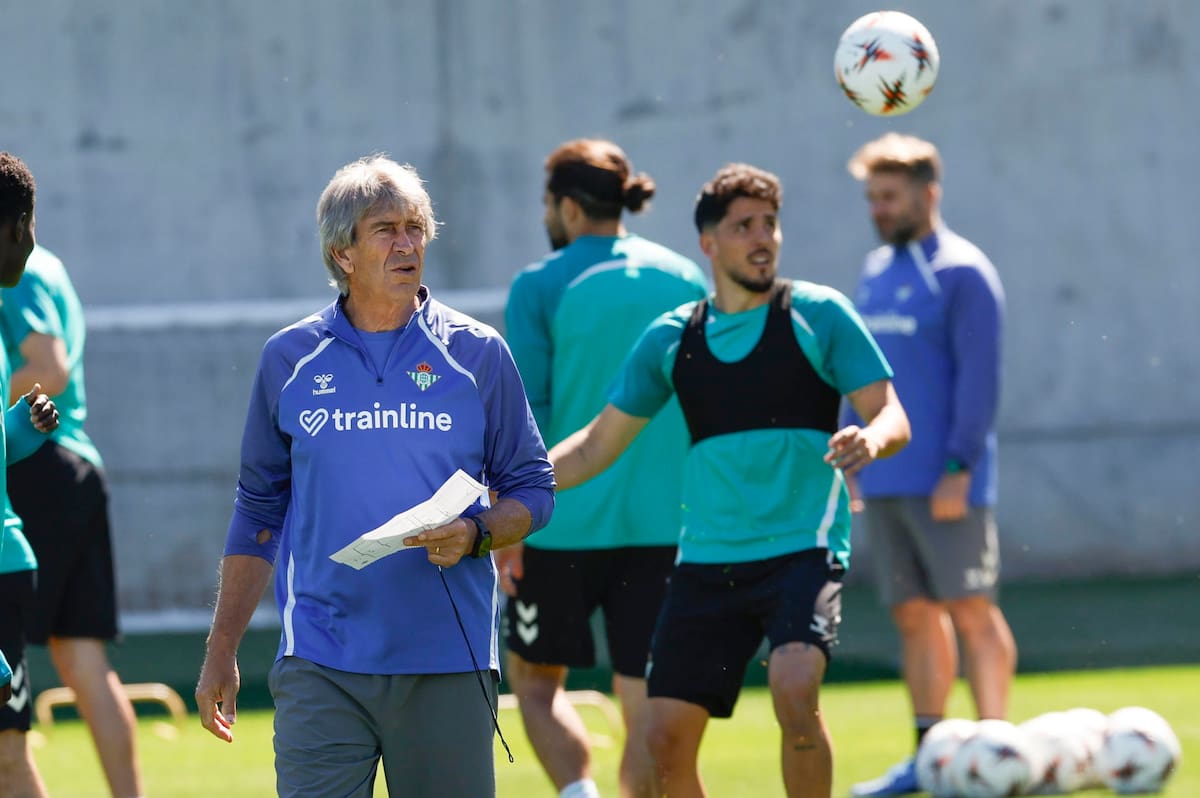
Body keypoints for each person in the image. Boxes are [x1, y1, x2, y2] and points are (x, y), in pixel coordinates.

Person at [195, 154, 556, 798]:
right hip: (321, 660)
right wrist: (221, 650)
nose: (407, 243)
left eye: (416, 227)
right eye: (385, 229)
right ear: (343, 253)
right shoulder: (288, 359)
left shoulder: (478, 353)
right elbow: (257, 512)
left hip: (449, 657)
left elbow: (533, 487)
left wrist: (475, 534)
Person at [547, 163, 911, 798]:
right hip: (708, 560)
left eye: (770, 224)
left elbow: (891, 413)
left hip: (803, 547)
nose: (762, 237)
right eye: (744, 226)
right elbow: (595, 445)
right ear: (708, 244)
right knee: (664, 738)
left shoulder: (818, 315)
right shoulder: (672, 338)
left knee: (795, 689)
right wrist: (512, 485)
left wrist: (871, 438)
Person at [500, 138, 708, 798]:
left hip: (557, 522)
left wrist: (508, 526)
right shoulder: (686, 277)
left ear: (565, 206)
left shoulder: (539, 284)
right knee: (645, 691)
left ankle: (578, 794)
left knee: (534, 682)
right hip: (666, 525)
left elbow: (524, 412)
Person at [842, 133, 1015, 798]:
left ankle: (1001, 750)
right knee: (913, 614)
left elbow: (980, 377)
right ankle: (931, 756)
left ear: (927, 194)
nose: (878, 210)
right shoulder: (874, 271)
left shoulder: (964, 271)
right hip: (884, 479)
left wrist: (959, 464)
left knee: (970, 607)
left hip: (947, 481)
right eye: (871, 198)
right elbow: (861, 375)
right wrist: (851, 450)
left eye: (888, 197)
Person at [1, 240, 145, 798]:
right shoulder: (50, 263)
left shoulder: (19, 269)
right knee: (82, 659)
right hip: (75, 464)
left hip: (37, 463)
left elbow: (48, 370)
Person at [0, 151, 62, 798]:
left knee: (8, 760)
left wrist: (16, 430)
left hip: (6, 566)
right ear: (15, 228)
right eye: (32, 224)